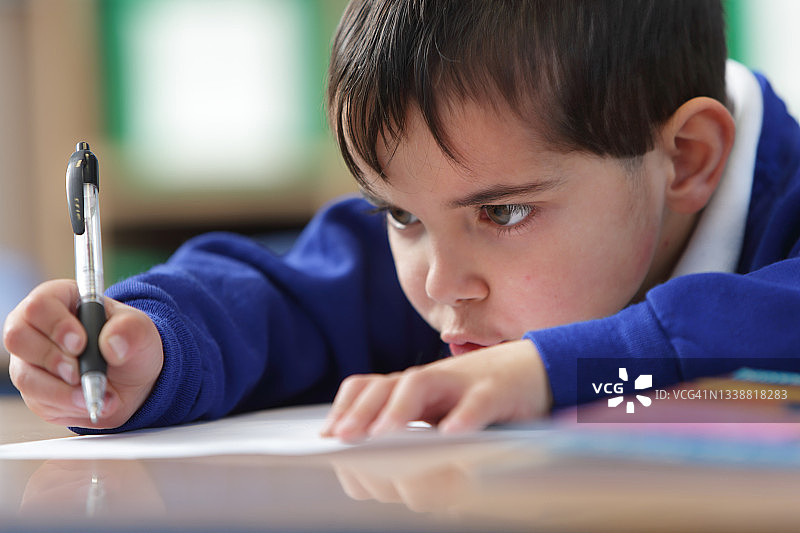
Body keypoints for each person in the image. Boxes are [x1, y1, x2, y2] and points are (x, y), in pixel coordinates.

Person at [4, 0, 800, 441]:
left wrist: (552, 369)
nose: (441, 284)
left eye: (504, 211)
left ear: (688, 158)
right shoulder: (455, 259)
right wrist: (159, 345)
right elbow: (291, 293)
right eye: (399, 214)